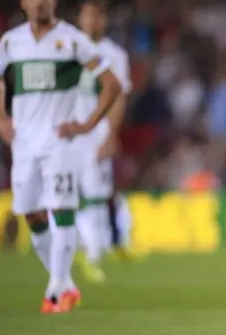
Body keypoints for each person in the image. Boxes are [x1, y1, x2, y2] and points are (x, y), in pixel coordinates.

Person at [0, 0, 121, 313]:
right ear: (23, 3)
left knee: (62, 208)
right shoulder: (11, 41)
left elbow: (111, 83)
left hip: (60, 142)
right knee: (31, 214)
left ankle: (56, 292)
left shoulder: (72, 40)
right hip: (24, 145)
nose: (41, 2)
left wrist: (87, 124)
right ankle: (66, 284)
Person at [74, 0, 131, 281]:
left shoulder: (114, 54)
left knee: (97, 190)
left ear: (104, 20)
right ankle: (80, 247)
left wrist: (110, 135)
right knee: (67, 192)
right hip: (68, 130)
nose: (92, 21)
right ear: (80, 19)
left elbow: (119, 98)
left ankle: (94, 251)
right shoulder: (67, 48)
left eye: (97, 16)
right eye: (87, 16)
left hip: (96, 131)